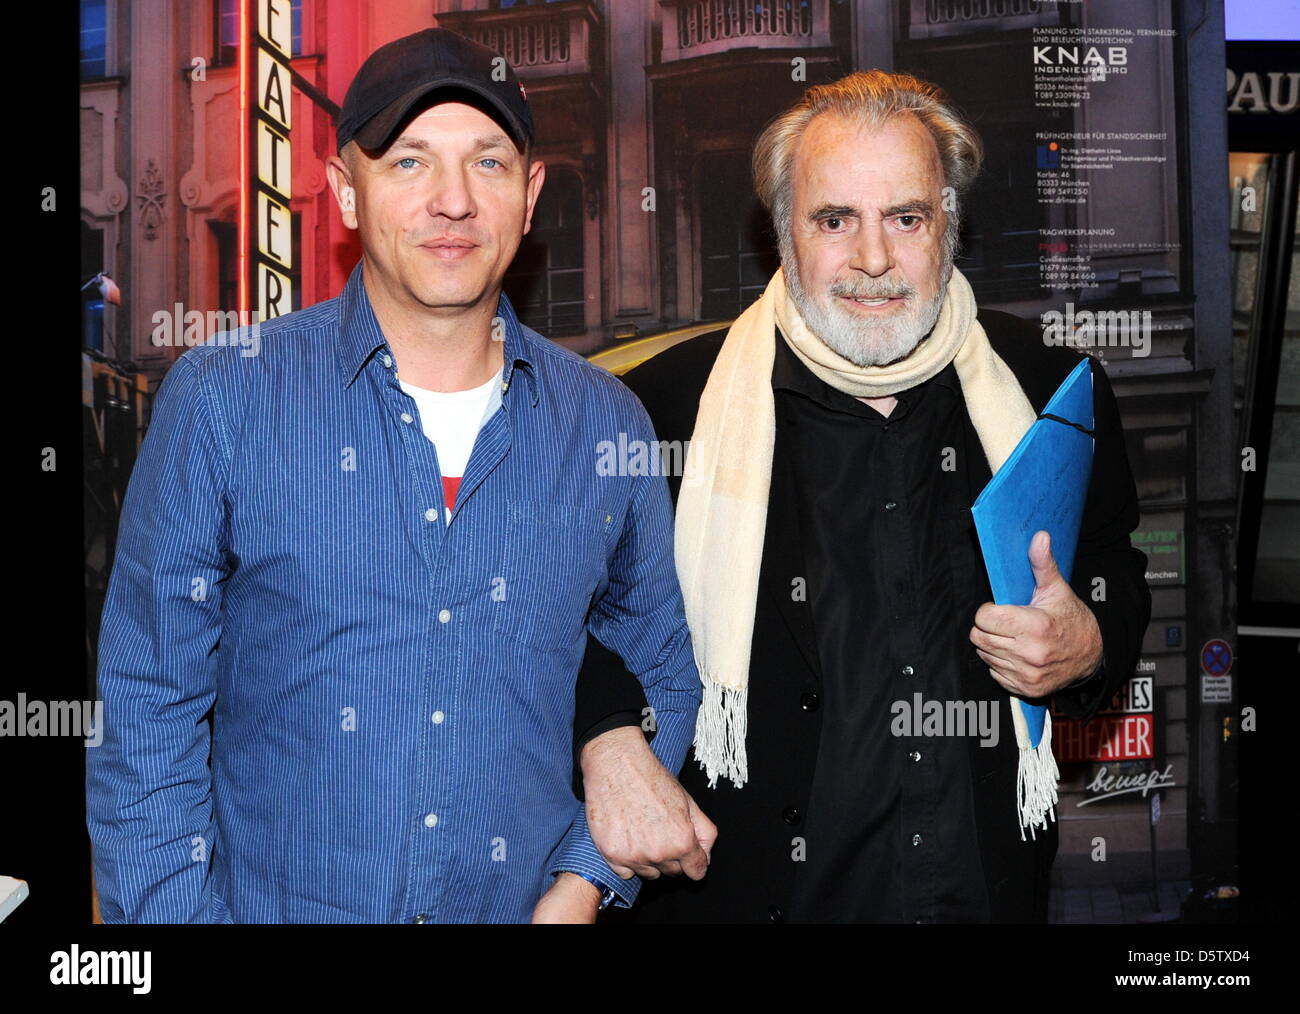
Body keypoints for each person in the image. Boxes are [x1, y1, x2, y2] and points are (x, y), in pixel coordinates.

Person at [86, 27, 710, 924]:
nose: (453, 201)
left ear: (530, 196)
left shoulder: (606, 424)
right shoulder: (225, 400)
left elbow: (662, 670)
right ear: (345, 191)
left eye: (488, 164)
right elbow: (147, 711)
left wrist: (580, 888)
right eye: (409, 162)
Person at [574, 70, 1152, 923]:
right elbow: (560, 615)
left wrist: (1091, 638)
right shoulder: (660, 411)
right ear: (784, 234)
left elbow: (1113, 568)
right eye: (834, 219)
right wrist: (608, 736)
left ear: (948, 225)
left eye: (906, 218)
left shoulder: (1052, 391)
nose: (874, 260)